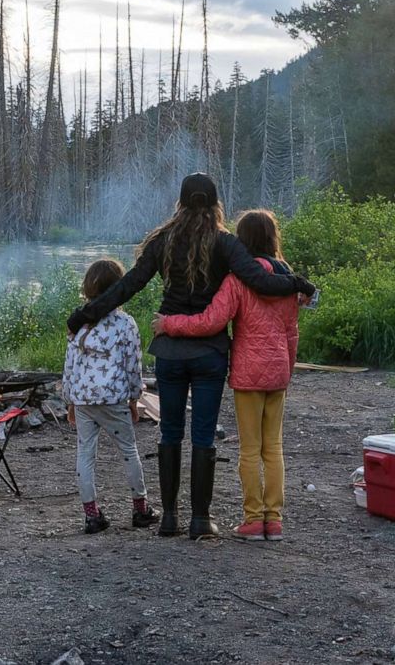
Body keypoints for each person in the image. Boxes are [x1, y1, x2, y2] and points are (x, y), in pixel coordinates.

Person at [67, 173, 316, 539]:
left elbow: (126, 286)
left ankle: (169, 518)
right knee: (203, 436)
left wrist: (86, 313)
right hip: (209, 353)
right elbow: (260, 281)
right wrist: (297, 283)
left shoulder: (163, 241)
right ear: (216, 204)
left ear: (180, 204)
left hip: (170, 352)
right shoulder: (226, 243)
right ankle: (200, 519)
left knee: (169, 432)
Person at [153, 210, 300, 542]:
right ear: (273, 237)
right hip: (277, 372)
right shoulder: (288, 281)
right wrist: (286, 368)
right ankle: (273, 520)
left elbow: (211, 321)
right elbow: (292, 333)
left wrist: (169, 324)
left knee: (250, 449)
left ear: (242, 241)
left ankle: (252, 519)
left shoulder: (238, 281)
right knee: (273, 447)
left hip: (248, 375)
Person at [62, 258, 158, 534]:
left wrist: (70, 400)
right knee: (128, 450)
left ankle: (92, 515)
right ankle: (141, 509)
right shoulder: (125, 324)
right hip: (113, 398)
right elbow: (132, 364)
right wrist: (134, 398)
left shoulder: (79, 324)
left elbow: (69, 365)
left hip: (82, 399)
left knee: (85, 454)